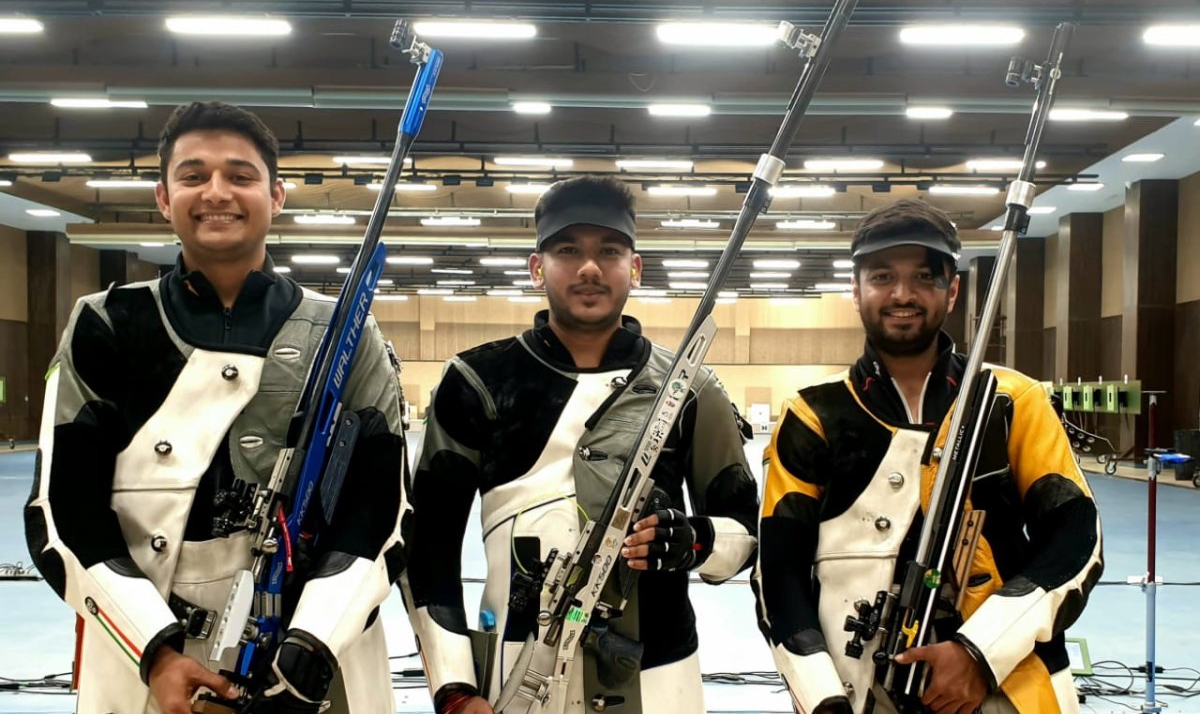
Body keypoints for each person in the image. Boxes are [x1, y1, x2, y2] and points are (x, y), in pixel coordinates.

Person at [24, 101, 408, 714]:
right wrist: (156, 651)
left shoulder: (347, 331)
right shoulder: (105, 324)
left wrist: (311, 646)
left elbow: (379, 510)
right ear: (163, 196)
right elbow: (63, 510)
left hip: (314, 658)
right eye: (194, 175)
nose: (217, 193)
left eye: (241, 175)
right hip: (146, 665)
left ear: (277, 195)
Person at [403, 176, 759, 714]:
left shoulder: (690, 387)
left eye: (609, 251)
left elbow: (746, 532)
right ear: (536, 267)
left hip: (659, 674)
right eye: (568, 250)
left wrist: (696, 541)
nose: (590, 268)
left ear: (634, 268)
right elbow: (428, 544)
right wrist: (453, 687)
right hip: (511, 667)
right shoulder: (476, 379)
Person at [755, 199, 1103, 714]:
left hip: (1004, 687)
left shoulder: (1012, 399)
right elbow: (777, 570)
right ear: (856, 290)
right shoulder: (810, 414)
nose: (902, 294)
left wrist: (978, 653)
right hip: (852, 692)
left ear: (952, 289)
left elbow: (1077, 537)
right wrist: (820, 692)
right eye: (881, 276)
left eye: (923, 276)